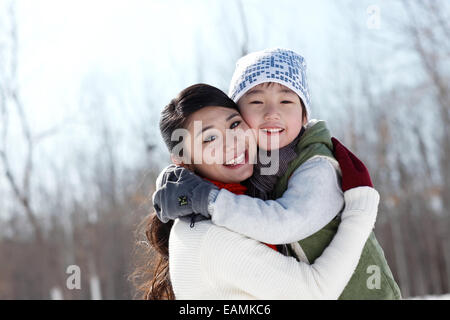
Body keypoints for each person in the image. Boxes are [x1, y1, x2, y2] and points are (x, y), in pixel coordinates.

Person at [153, 49, 401, 299]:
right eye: (211, 138)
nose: (233, 142)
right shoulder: (212, 234)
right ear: (183, 160)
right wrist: (360, 216)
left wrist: (198, 195)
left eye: (235, 124)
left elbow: (285, 222)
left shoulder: (302, 169)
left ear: (305, 115)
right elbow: (314, 293)